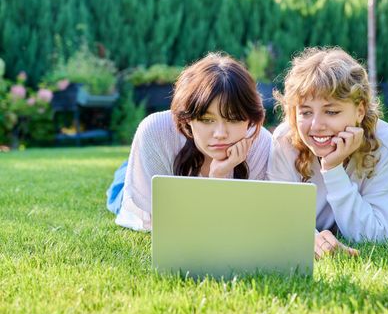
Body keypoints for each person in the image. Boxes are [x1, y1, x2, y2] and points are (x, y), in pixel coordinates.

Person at [268, 47, 388, 259]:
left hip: (387, 203)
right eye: (306, 112)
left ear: (360, 111)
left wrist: (333, 168)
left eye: (332, 111)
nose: (316, 125)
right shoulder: (284, 140)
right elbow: (278, 215)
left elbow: (373, 237)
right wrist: (310, 237)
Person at [106, 53, 272, 231]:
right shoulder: (155, 131)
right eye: (207, 120)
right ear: (187, 120)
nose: (221, 134)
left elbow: (238, 220)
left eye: (233, 119)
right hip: (156, 163)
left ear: (250, 119)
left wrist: (218, 177)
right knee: (118, 194)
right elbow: (162, 222)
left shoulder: (261, 143)